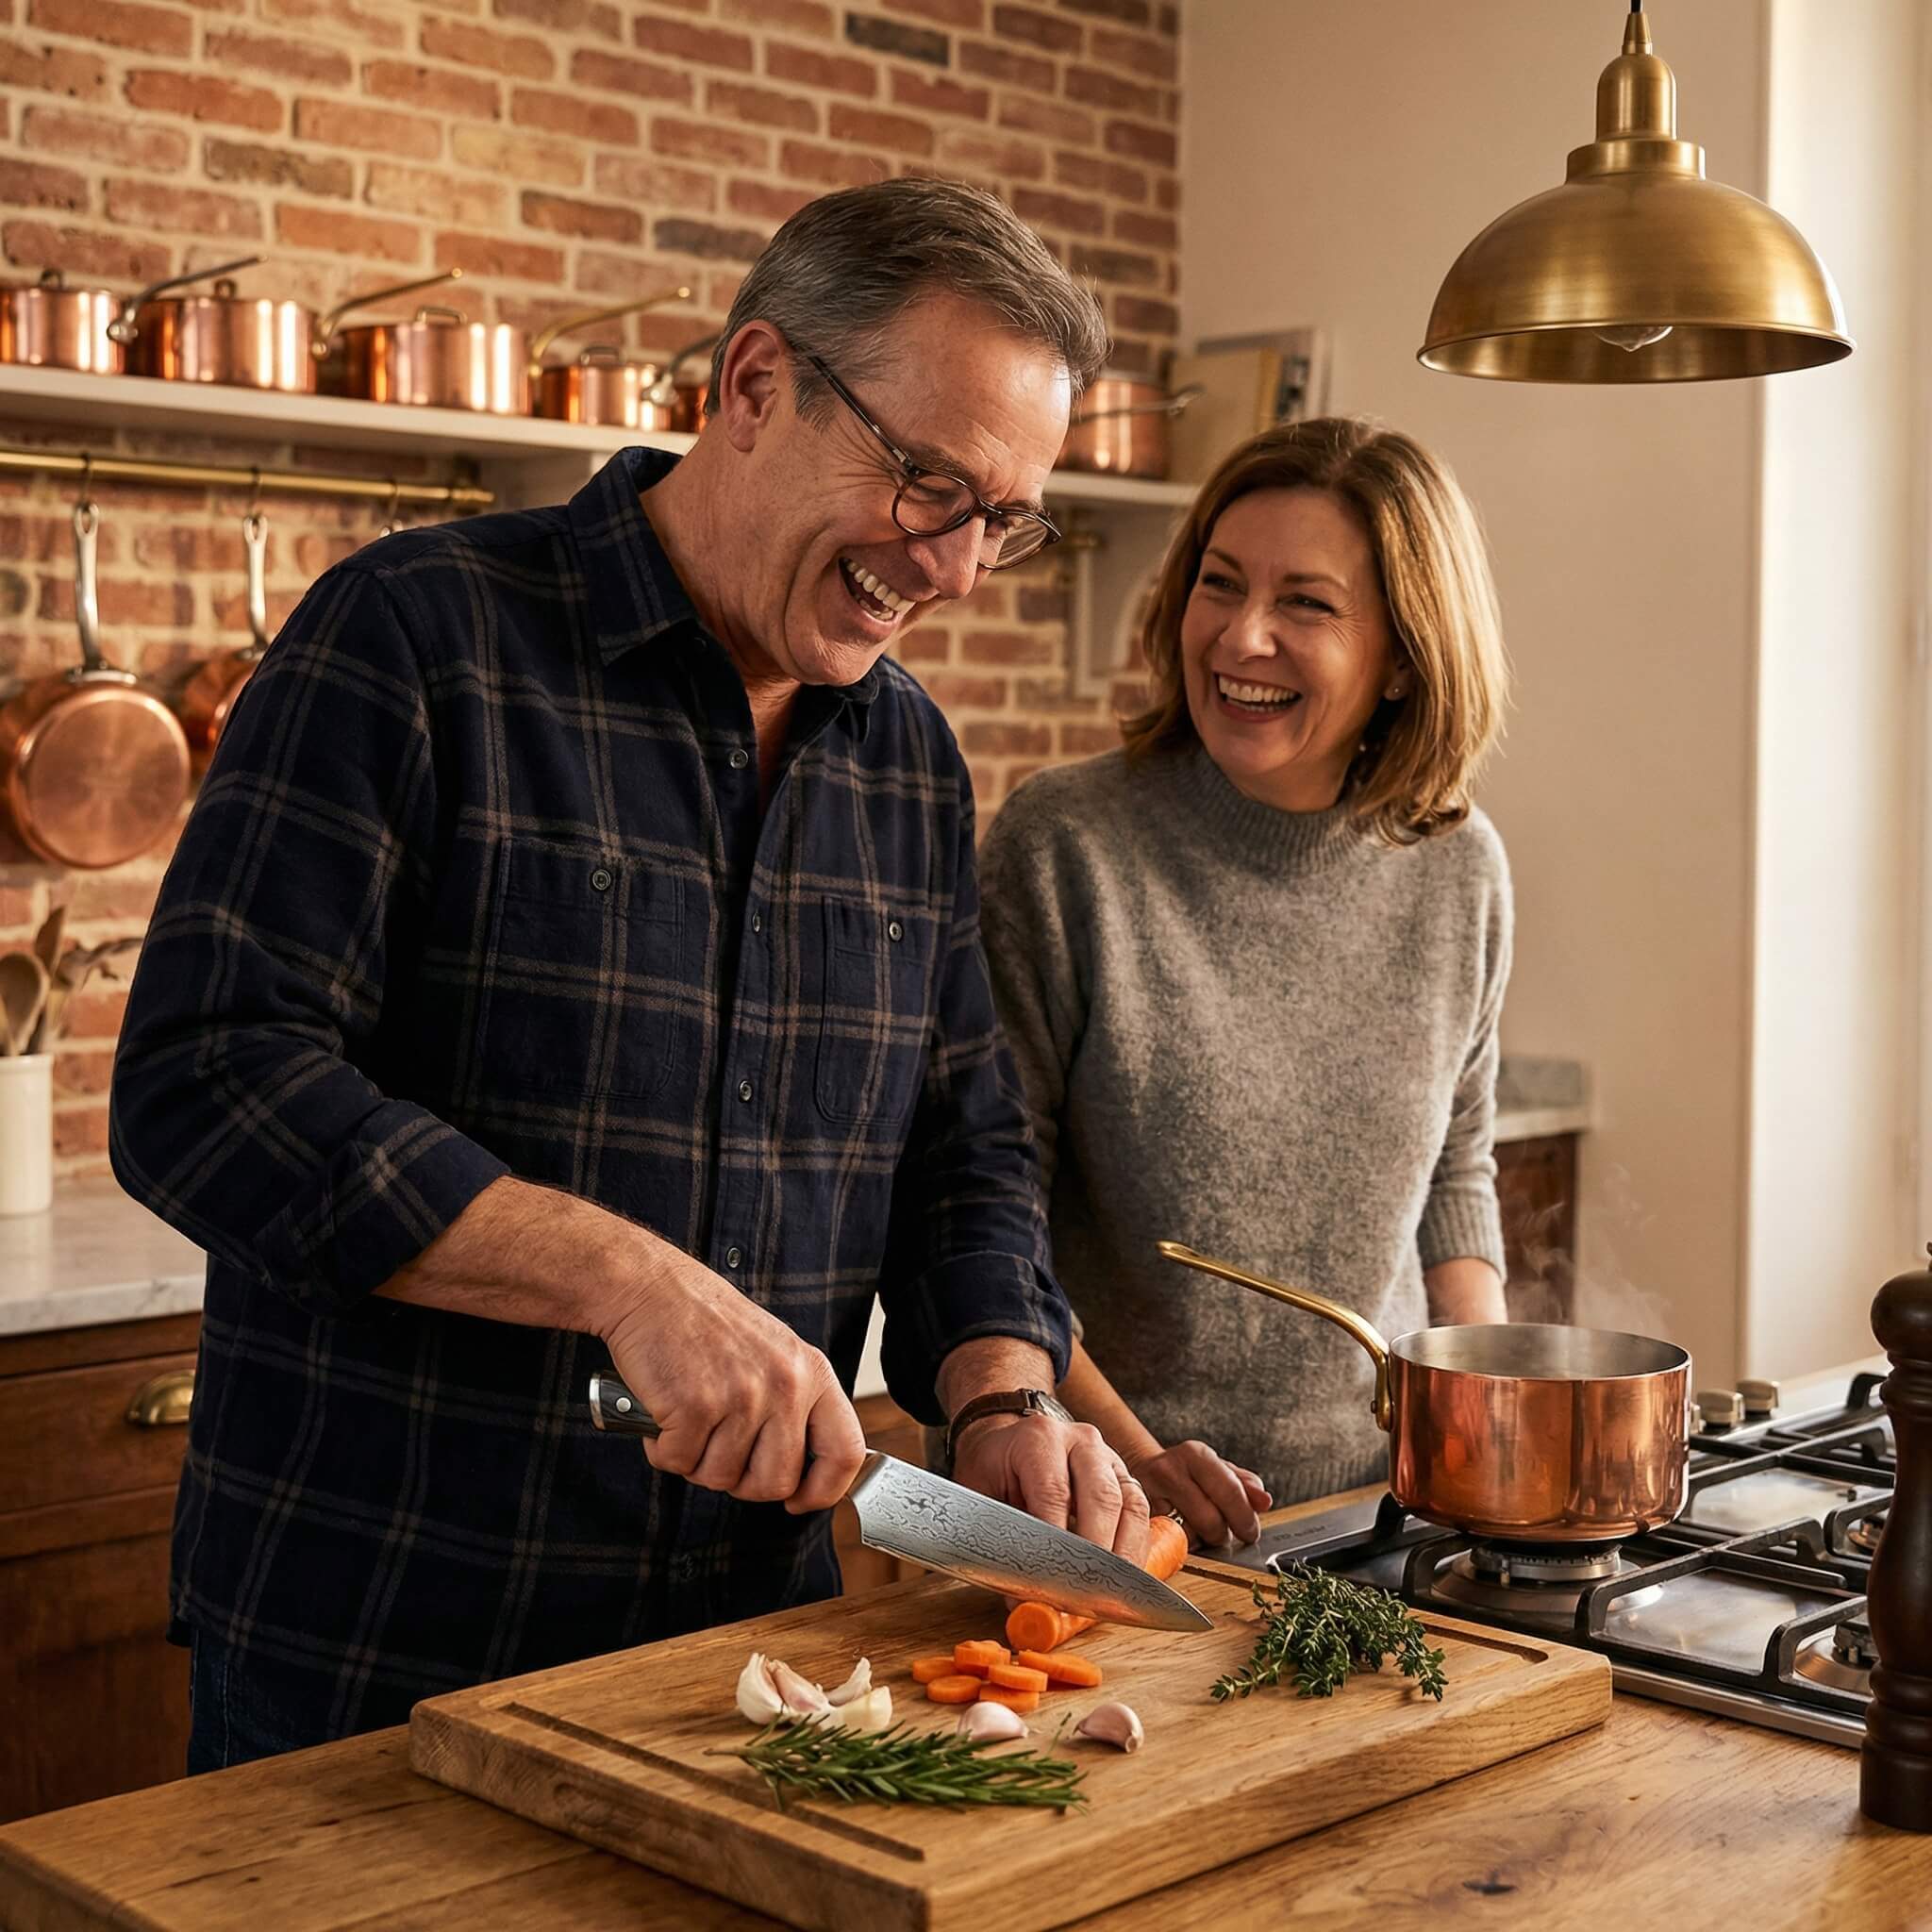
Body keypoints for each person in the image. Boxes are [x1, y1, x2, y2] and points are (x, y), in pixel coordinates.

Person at [108, 176, 1151, 1772]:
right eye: (928, 481)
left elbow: (962, 1152)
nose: (952, 568)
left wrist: (1005, 1392)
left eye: (1001, 519)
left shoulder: (910, 765)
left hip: (746, 1664)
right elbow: (207, 1082)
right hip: (380, 1656)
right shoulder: (416, 636)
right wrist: (626, 1281)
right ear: (755, 384)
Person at [977, 416, 1513, 1543]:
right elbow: (985, 1219)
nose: (1240, 635)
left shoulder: (1458, 868)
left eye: (1305, 603)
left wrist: (1490, 1421)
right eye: (1217, 584)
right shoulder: (1064, 844)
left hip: (1376, 1513)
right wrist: (1131, 1458)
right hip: (1100, 1513)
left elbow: (1454, 1180)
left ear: (1403, 656)